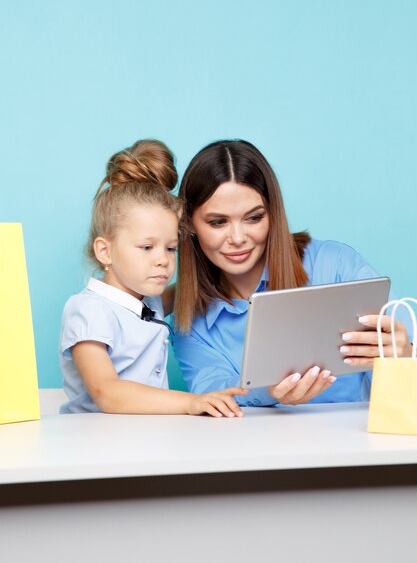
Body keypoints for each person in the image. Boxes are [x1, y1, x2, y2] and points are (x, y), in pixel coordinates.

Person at [173, 139, 412, 407]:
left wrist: (406, 355)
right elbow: (214, 395)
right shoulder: (191, 324)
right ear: (189, 224)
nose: (238, 238)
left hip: (362, 441)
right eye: (218, 222)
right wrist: (269, 390)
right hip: (261, 447)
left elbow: (405, 343)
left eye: (253, 218)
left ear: (273, 214)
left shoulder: (335, 265)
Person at [59, 138, 246, 416]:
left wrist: (227, 257)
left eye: (170, 248)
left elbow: (191, 287)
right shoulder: (89, 310)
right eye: (147, 247)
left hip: (146, 439)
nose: (163, 259)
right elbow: (107, 393)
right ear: (105, 251)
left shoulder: (149, 302)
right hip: (96, 444)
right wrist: (190, 402)